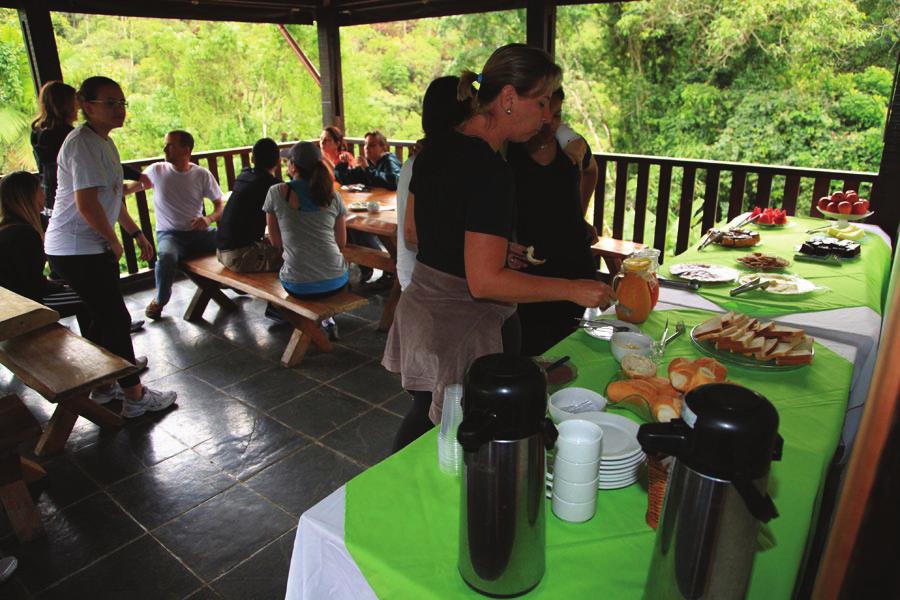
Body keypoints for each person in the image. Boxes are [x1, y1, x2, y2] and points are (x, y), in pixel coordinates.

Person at [383, 44, 615, 452]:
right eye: (541, 102)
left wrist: (492, 248)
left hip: (422, 306)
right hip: (458, 324)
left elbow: (424, 232)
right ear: (508, 98)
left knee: (424, 416)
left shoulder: (435, 147)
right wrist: (574, 288)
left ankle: (393, 496)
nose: (546, 117)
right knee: (438, 431)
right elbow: (485, 282)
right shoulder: (493, 170)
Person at [44, 76, 175, 416]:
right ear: (86, 106)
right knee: (114, 318)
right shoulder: (82, 144)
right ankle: (134, 397)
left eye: (122, 103)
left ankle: (106, 382)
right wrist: (112, 240)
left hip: (83, 246)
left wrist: (135, 234)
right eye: (110, 103)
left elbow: (112, 198)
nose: (119, 109)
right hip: (76, 248)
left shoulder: (104, 142)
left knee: (98, 318)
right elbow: (87, 204)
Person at [508, 87, 598, 356]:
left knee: (574, 345)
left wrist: (578, 214)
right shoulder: (509, 149)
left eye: (557, 114)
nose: (549, 120)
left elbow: (592, 171)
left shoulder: (572, 147)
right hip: (530, 267)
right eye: (543, 110)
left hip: (573, 259)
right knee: (533, 349)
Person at [140, 130, 225, 319]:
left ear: (186, 150)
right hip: (170, 235)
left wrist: (208, 219)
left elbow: (219, 205)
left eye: (170, 145)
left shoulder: (201, 174)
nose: (165, 149)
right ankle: (160, 301)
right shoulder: (157, 170)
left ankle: (236, 283)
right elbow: (134, 186)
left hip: (198, 234)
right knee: (166, 256)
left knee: (230, 239)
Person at [397, 76, 471, 290]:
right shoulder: (426, 164)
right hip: (427, 283)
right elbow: (414, 235)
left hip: (418, 278)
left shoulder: (422, 161)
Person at [264, 142, 349, 305]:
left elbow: (275, 242)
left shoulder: (276, 192)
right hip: (337, 280)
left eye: (288, 161)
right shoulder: (333, 195)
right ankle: (326, 322)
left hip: (297, 285)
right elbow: (341, 243)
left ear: (293, 166)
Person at [216, 137, 283, 272]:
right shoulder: (272, 186)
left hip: (221, 251)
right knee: (294, 257)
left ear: (253, 159)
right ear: (278, 161)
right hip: (240, 256)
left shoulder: (244, 176)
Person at [30, 81, 77, 214]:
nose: (78, 107)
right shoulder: (69, 134)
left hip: (48, 194)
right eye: (74, 102)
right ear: (65, 105)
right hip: (70, 195)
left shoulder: (37, 131)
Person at [334, 130, 402, 191]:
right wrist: (343, 164)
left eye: (372, 145)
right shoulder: (368, 163)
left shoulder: (389, 160)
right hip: (373, 200)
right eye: (365, 144)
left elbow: (395, 182)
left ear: (383, 147)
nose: (367, 147)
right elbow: (345, 180)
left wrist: (367, 169)